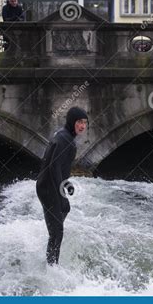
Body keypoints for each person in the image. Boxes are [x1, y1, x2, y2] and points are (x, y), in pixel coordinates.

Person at [36, 107, 88, 265]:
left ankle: (50, 256)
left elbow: (59, 166)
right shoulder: (65, 140)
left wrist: (67, 183)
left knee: (64, 211)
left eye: (85, 123)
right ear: (72, 121)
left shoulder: (64, 136)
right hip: (48, 188)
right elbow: (54, 167)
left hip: (47, 185)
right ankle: (52, 268)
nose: (83, 126)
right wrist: (61, 194)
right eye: (79, 122)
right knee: (57, 232)